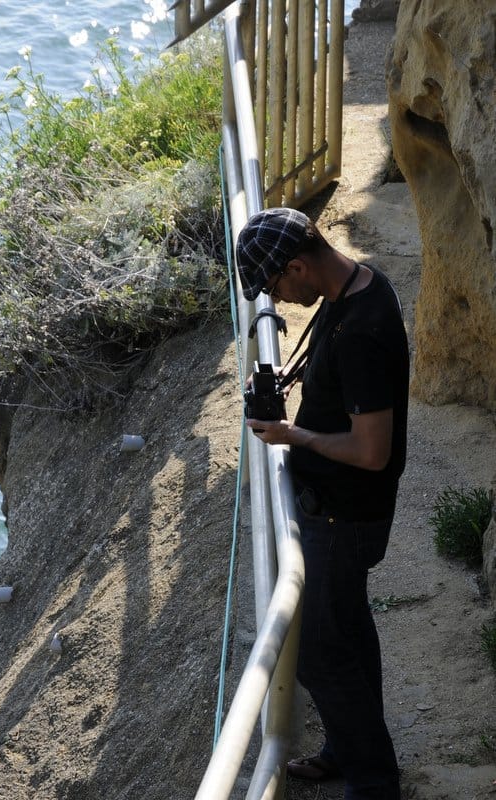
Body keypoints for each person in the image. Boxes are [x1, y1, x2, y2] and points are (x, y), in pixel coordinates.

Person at [236, 207, 409, 800]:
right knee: (350, 634)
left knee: (315, 652)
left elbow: (371, 451)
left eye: (277, 286)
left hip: (345, 513)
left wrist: (294, 437)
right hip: (339, 509)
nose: (278, 299)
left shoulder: (361, 327)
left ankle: (373, 783)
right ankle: (349, 753)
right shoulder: (355, 285)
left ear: (298, 265)